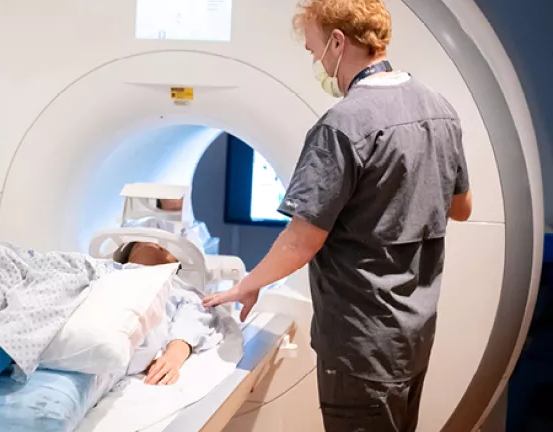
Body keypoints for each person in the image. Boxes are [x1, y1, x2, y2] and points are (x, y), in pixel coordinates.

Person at [202, 1, 472, 431]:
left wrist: (247, 285)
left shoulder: (343, 125)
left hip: (361, 344)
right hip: (413, 335)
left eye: (314, 50)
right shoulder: (439, 108)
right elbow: (461, 208)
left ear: (338, 42)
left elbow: (300, 242)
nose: (316, 61)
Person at [0, 241, 217, 397]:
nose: (158, 245)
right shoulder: (106, 263)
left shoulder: (173, 286)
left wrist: (175, 353)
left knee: (61, 274)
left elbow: (198, 313)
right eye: (147, 241)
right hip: (67, 266)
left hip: (82, 278)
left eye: (164, 247)